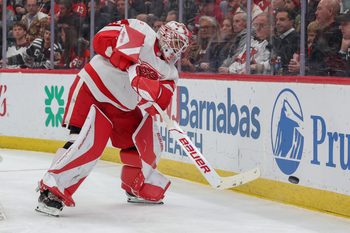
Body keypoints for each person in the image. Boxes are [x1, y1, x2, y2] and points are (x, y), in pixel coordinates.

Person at [35, 19, 191, 217]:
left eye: (181, 46)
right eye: (176, 43)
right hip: (93, 90)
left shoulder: (169, 72)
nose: (176, 50)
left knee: (147, 144)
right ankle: (51, 191)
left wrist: (148, 88)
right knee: (84, 142)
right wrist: (125, 60)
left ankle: (135, 185)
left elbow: (159, 104)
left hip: (123, 106)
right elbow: (100, 40)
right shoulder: (139, 30)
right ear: (164, 36)